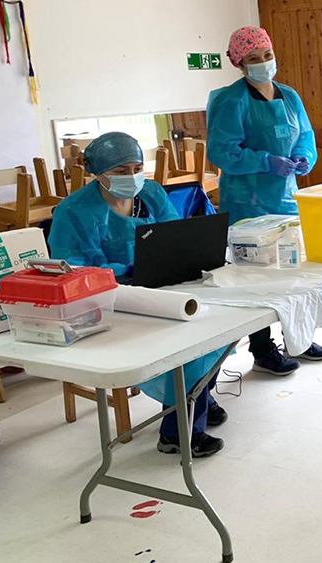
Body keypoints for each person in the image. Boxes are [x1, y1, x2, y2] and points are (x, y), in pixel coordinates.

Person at [49, 132, 227, 457]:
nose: (131, 176)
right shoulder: (74, 211)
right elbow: (71, 267)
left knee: (217, 326)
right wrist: (122, 271)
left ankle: (199, 395)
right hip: (109, 300)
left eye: (136, 167)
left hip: (159, 286)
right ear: (97, 172)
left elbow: (175, 235)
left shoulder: (152, 193)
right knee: (185, 340)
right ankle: (178, 433)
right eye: (120, 171)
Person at [206, 25, 322, 376]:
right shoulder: (232, 101)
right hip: (248, 204)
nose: (263, 63)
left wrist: (304, 157)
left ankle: (299, 337)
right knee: (255, 279)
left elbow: (305, 135)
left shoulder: (289, 95)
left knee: (293, 272)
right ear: (240, 64)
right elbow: (222, 151)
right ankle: (262, 347)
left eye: (267, 56)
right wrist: (265, 161)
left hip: (287, 198)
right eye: (254, 59)